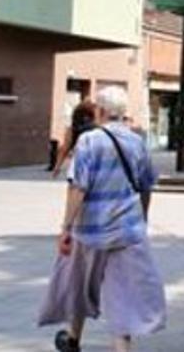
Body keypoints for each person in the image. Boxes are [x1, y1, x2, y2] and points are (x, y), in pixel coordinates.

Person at [38, 85, 166, 352]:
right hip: (127, 232)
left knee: (79, 285)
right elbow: (145, 186)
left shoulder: (89, 141)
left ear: (102, 111)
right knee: (122, 297)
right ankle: (119, 348)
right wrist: (141, 220)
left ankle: (73, 339)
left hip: (91, 231)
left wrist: (66, 227)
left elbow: (78, 187)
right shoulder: (137, 141)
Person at [51, 101, 98, 177]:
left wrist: (57, 166)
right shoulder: (98, 128)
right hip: (95, 165)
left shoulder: (72, 129)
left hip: (78, 165)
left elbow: (64, 149)